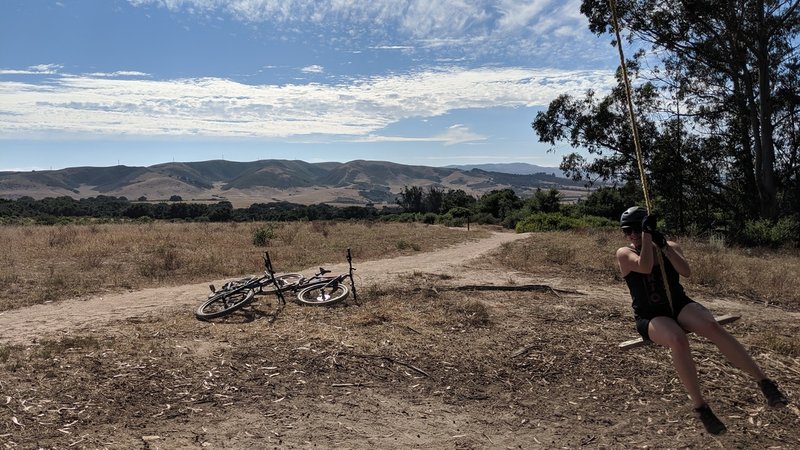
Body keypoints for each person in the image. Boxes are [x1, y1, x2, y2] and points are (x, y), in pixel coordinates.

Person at [616, 206, 788, 435]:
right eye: (628, 231)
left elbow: (685, 272)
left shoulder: (669, 246)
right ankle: (700, 407)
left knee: (711, 326)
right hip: (651, 315)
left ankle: (764, 382)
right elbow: (645, 267)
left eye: (637, 229)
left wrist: (664, 246)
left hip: (678, 304)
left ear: (648, 226)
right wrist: (647, 236)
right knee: (678, 339)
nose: (633, 235)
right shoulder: (624, 253)